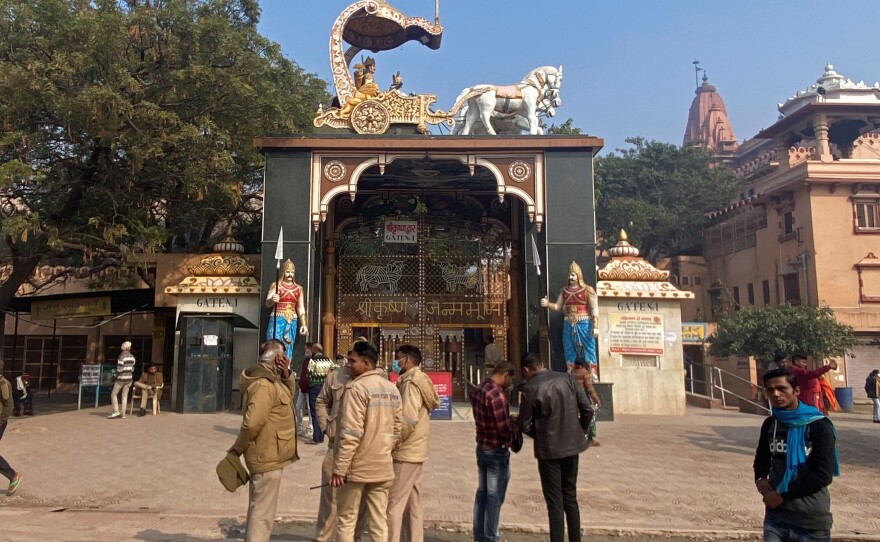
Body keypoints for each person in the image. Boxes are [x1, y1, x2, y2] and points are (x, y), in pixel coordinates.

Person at [753, 368, 840, 542]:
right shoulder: (771, 424)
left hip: (811, 522)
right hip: (776, 518)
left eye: (782, 388)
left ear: (797, 391)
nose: (775, 394)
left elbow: (822, 475)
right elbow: (762, 458)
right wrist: (760, 479)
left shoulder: (819, 426)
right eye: (770, 390)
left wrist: (782, 496)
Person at [519, 352, 594, 542]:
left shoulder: (531, 388)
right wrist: (578, 432)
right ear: (542, 364)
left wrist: (540, 435)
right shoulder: (567, 378)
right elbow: (587, 409)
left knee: (554, 502)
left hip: (549, 451)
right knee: (570, 496)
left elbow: (523, 424)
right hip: (571, 447)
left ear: (526, 370)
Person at [228, 340, 298, 542]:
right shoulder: (263, 385)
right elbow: (252, 423)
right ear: (278, 358)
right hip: (266, 455)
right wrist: (237, 449)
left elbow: (286, 396)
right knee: (262, 514)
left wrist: (286, 375)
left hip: (269, 453)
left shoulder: (272, 380)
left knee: (260, 507)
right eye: (284, 355)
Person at [332, 341, 401, 542]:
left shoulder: (356, 388)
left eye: (352, 361)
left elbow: (351, 434)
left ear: (366, 364)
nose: (348, 364)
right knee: (378, 524)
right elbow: (398, 429)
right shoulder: (392, 389)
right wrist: (385, 449)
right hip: (382, 465)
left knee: (346, 520)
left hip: (357, 467)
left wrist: (340, 468)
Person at [387, 344, 440, 542]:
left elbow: (407, 420)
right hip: (417, 450)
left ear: (407, 360)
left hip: (406, 451)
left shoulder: (410, 384)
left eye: (398, 357)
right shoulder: (420, 380)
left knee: (393, 506)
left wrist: (392, 443)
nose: (395, 361)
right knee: (412, 504)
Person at [314, 350, 367, 542]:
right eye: (349, 358)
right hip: (335, 446)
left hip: (363, 449)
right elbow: (321, 401)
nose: (350, 363)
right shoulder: (335, 376)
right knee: (330, 498)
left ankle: (355, 537)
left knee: (360, 501)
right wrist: (326, 426)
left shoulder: (375, 381)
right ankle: (322, 537)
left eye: (354, 359)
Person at [470, 361, 517, 542]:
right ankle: (491, 536)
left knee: (482, 493)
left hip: (482, 446)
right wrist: (515, 426)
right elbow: (503, 428)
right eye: (510, 378)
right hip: (496, 450)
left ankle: (479, 535)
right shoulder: (496, 394)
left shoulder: (480, 389)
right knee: (494, 497)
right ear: (505, 375)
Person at [540, 261, 599, 374]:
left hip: (584, 322)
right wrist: (547, 304)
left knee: (588, 347)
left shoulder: (588, 290)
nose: (570, 277)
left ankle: (592, 372)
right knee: (568, 347)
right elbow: (557, 306)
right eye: (569, 275)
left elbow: (594, 309)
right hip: (568, 323)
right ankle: (570, 370)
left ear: (579, 275)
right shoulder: (564, 291)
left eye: (573, 274)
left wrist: (595, 326)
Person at [265, 258, 308, 361]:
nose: (290, 274)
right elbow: (267, 303)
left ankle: (286, 366)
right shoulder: (276, 285)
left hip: (292, 319)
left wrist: (303, 324)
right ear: (283, 272)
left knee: (288, 344)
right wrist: (272, 299)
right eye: (288, 272)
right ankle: (272, 365)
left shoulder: (298, 288)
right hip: (277, 317)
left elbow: (301, 307)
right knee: (273, 341)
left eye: (292, 272)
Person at [0, 360, 23, 496]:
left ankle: (13, 475)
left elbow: (9, 406)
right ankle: (12, 475)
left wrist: (1, 421)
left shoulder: (3, 384)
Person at [302, 343, 333, 444]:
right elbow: (334, 368)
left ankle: (316, 437)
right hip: (325, 388)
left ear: (314, 350)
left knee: (314, 412)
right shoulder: (328, 360)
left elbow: (309, 374)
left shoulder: (313, 361)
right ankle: (322, 435)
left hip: (314, 388)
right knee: (323, 411)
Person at [570, 357, 602, 446]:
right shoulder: (584, 373)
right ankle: (589, 439)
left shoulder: (571, 373)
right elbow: (590, 388)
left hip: (573, 399)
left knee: (576, 418)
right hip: (583, 398)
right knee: (590, 416)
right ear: (581, 365)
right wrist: (596, 399)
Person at [108, 341, 136, 419]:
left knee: (114, 393)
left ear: (123, 347)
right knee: (125, 396)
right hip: (129, 379)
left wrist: (115, 374)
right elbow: (132, 369)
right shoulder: (132, 357)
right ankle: (123, 414)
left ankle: (116, 411)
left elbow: (120, 370)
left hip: (121, 379)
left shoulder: (121, 357)